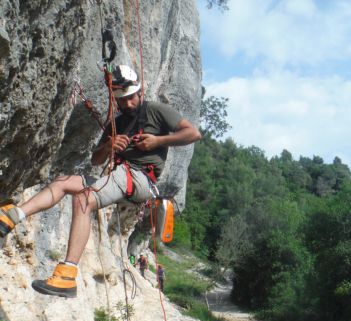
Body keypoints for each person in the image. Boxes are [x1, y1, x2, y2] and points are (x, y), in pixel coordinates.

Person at [0, 65, 201, 298]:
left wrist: (157, 141)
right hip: (119, 176)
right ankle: (12, 217)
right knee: (63, 182)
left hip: (141, 178)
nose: (127, 104)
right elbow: (96, 160)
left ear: (140, 92)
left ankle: (67, 275)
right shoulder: (116, 123)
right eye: (122, 100)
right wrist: (109, 146)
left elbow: (193, 133)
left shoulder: (156, 111)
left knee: (84, 199)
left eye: (131, 98)